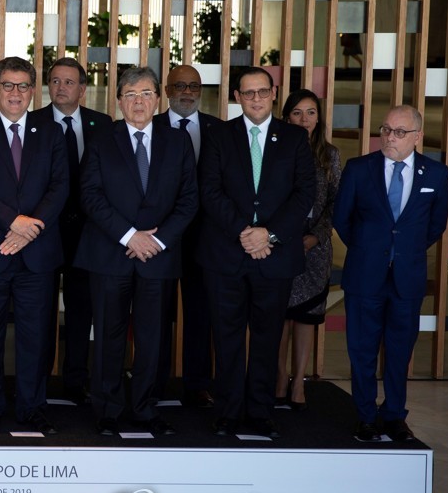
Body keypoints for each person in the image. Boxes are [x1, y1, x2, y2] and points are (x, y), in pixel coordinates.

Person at [75, 67, 198, 436]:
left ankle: (144, 409)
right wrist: (130, 236)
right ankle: (107, 410)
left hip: (158, 257)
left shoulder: (177, 143)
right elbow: (90, 196)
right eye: (130, 94)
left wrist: (157, 241)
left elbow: (189, 200)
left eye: (146, 93)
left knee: (152, 338)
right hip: (111, 254)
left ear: (158, 99)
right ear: (118, 101)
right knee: (108, 337)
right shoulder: (100, 140)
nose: (139, 101)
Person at [197, 67, 315, 439]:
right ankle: (229, 410)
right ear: (237, 97)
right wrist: (244, 233)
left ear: (274, 93)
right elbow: (210, 190)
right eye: (248, 93)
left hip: (275, 256)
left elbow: (304, 194)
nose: (257, 99)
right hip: (226, 254)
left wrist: (270, 234)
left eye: (263, 91)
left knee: (267, 338)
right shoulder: (218, 135)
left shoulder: (295, 137)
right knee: (227, 337)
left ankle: (261, 411)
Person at [0, 57, 68, 435]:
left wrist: (28, 229)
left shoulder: (52, 133)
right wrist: (13, 222)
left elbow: (60, 188)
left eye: (24, 86)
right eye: (8, 85)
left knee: (35, 334)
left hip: (37, 253)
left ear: (34, 90)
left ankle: (32, 407)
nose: (16, 93)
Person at [333, 105, 448, 442]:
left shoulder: (436, 174)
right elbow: (343, 220)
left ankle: (395, 415)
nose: (389, 137)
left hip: (407, 279)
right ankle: (367, 417)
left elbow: (435, 226)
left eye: (399, 132)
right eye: (385, 129)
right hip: (365, 274)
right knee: (362, 349)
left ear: (417, 137)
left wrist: (402, 253)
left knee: (400, 351)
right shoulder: (358, 169)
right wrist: (371, 250)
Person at [29, 57, 112, 405]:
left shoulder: (103, 124)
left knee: (82, 309)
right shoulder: (32, 123)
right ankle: (38, 381)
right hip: (43, 232)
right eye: (55, 81)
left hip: (89, 235)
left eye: (69, 81)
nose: (61, 87)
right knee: (41, 310)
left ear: (82, 87)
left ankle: (76, 380)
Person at [153, 64, 222, 409]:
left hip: (205, 240)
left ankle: (197, 384)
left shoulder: (219, 130)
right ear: (166, 90)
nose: (187, 92)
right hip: (159, 238)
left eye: (194, 86)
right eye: (179, 85)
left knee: (200, 312)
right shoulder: (149, 127)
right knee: (157, 312)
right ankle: (155, 381)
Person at [274, 89, 341, 411]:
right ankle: (278, 378)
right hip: (279, 245)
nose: (304, 119)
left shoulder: (330, 156)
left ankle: (298, 382)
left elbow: (334, 203)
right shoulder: (276, 151)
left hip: (314, 250)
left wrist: (316, 236)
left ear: (319, 117)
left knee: (305, 320)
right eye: (297, 113)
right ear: (286, 117)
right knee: (279, 319)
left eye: (311, 112)